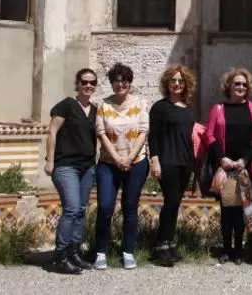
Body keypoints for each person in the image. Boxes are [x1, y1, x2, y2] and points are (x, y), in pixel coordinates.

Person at [92, 63, 150, 270]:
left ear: (130, 82)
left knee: (130, 207)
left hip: (136, 162)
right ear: (111, 83)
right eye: (116, 81)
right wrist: (117, 158)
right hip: (108, 163)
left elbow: (143, 132)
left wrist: (130, 158)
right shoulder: (103, 105)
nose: (120, 84)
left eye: (124, 80)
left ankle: (128, 251)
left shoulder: (141, 103)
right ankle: (100, 252)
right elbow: (101, 133)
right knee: (105, 207)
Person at [44, 68, 98, 274]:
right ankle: (60, 256)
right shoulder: (66, 105)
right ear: (78, 84)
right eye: (84, 82)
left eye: (92, 82)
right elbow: (52, 131)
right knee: (72, 208)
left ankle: (74, 252)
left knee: (81, 209)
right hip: (66, 165)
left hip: (87, 167)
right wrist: (50, 160)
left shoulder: (94, 110)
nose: (88, 86)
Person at [204, 68, 252, 265]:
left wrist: (244, 160)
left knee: (242, 210)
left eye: (244, 84)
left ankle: (239, 250)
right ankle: (226, 249)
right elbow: (209, 135)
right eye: (237, 83)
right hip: (225, 168)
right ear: (229, 86)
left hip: (244, 168)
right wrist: (222, 159)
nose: (241, 87)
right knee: (227, 210)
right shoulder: (218, 109)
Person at [149, 64, 198, 267]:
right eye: (173, 80)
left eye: (180, 81)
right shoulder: (160, 107)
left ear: (185, 84)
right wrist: (155, 160)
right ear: (167, 83)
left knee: (175, 203)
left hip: (185, 162)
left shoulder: (187, 108)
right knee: (170, 202)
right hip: (167, 161)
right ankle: (161, 246)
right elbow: (153, 136)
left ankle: (169, 243)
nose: (177, 84)